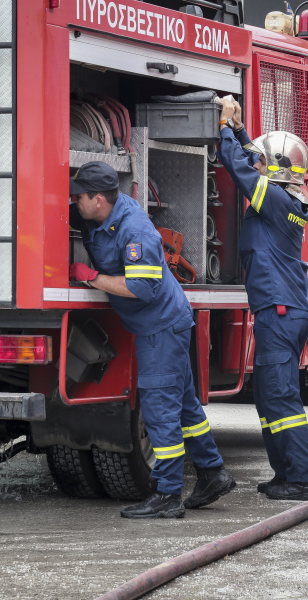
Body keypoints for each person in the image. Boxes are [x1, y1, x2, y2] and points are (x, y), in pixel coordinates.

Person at [68, 161, 236, 518]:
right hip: (166, 325)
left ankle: (167, 495)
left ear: (99, 199)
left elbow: (142, 288)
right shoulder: (105, 214)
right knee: (187, 408)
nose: (74, 202)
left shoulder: (135, 231)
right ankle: (212, 473)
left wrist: (92, 278)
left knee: (160, 411)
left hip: (160, 327)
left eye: (79, 197)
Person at [215, 98, 308, 501]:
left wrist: (226, 127)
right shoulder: (286, 198)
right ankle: (285, 473)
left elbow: (241, 170)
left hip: (280, 310)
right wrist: (242, 131)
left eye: (265, 161)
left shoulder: (275, 200)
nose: (258, 163)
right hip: (279, 310)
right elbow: (254, 162)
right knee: (269, 398)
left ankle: (304, 478)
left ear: (275, 171)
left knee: (281, 398)